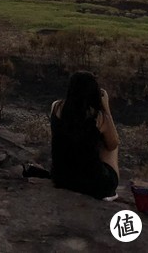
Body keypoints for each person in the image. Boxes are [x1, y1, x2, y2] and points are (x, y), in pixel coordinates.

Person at [49, 71, 120, 200]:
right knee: (111, 144)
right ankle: (110, 189)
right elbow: (114, 143)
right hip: (95, 185)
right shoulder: (99, 118)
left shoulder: (56, 107)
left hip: (61, 178)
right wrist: (106, 109)